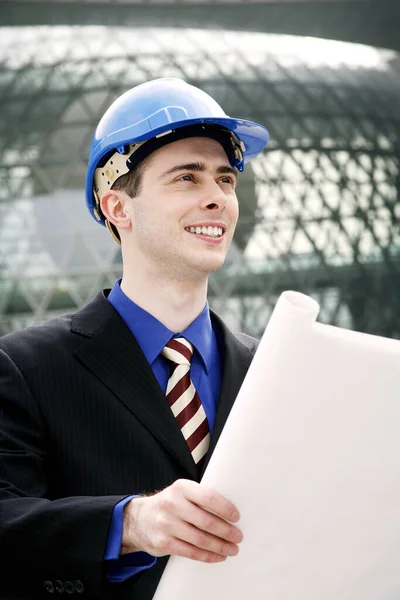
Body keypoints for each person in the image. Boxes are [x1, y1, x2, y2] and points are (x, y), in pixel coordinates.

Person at [0, 78, 269, 599]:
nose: (216, 198)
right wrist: (130, 525)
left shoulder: (275, 370)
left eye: (225, 180)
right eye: (186, 178)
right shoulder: (23, 367)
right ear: (119, 208)